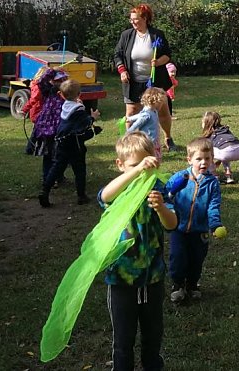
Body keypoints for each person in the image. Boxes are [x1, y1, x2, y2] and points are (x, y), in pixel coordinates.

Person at [99, 132, 178, 371]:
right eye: (136, 166)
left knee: (153, 335)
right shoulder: (120, 190)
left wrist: (161, 208)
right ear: (120, 165)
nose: (143, 172)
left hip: (153, 278)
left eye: (148, 164)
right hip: (121, 279)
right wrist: (136, 171)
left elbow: (172, 224)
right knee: (123, 340)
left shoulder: (160, 188)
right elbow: (104, 195)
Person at [113, 3, 179, 152]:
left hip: (155, 81)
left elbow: (167, 55)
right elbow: (117, 54)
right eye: (131, 19)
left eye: (136, 19)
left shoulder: (157, 35)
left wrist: (158, 61)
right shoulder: (127, 35)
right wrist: (122, 70)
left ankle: (168, 138)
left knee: (163, 111)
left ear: (145, 18)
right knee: (131, 112)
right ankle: (130, 142)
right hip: (133, 80)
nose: (133, 22)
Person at [168, 138, 223, 303]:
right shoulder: (180, 178)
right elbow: (167, 196)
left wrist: (214, 224)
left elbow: (213, 206)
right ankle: (177, 285)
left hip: (199, 230)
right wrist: (168, 205)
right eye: (198, 159)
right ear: (189, 159)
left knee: (197, 258)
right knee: (178, 257)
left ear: (212, 159)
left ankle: (192, 284)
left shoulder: (212, 183)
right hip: (178, 229)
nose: (203, 162)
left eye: (207, 158)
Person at [39, 79, 102, 207]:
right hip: (75, 144)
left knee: (57, 167)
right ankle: (81, 196)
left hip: (61, 142)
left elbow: (73, 114)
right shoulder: (78, 110)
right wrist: (93, 117)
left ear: (62, 95)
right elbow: (84, 123)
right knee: (79, 169)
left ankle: (45, 190)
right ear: (79, 94)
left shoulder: (65, 105)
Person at [31, 70, 69, 184]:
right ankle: (47, 178)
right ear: (53, 81)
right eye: (58, 80)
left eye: (63, 80)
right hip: (48, 131)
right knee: (48, 155)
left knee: (60, 155)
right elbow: (41, 81)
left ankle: (58, 177)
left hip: (60, 130)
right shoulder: (48, 92)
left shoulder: (66, 94)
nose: (61, 82)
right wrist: (53, 71)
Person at [201, 111, 239, 184]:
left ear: (206, 123)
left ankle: (214, 175)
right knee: (224, 149)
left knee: (207, 152)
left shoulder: (210, 133)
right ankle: (228, 174)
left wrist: (214, 162)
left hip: (225, 151)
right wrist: (220, 160)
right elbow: (225, 144)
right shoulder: (225, 129)